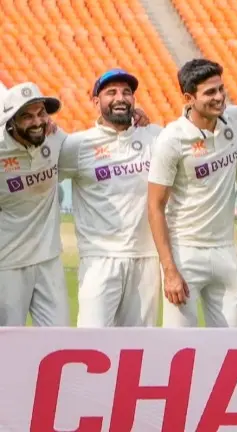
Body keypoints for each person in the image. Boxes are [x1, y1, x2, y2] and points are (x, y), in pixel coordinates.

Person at [147, 59, 237, 327]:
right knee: (180, 348)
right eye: (210, 93)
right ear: (188, 98)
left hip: (225, 251)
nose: (219, 98)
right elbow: (155, 206)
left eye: (221, 89)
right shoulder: (171, 139)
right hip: (185, 253)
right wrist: (169, 270)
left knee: (231, 349)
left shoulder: (235, 119)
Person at [59, 69, 162, 327]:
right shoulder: (77, 145)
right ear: (96, 102)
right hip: (100, 259)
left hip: (146, 258)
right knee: (92, 341)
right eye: (111, 92)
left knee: (139, 348)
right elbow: (43, 178)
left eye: (127, 92)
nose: (120, 98)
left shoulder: (155, 137)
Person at [0, 82, 69, 326]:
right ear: (11, 121)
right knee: (7, 342)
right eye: (27, 117)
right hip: (7, 264)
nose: (37, 122)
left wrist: (134, 123)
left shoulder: (56, 138)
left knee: (58, 338)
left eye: (41, 114)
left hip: (48, 258)